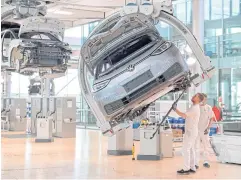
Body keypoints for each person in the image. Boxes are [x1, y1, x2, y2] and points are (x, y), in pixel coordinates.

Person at [172, 93, 204, 175]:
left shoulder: (195, 108)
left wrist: (175, 109)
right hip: (191, 131)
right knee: (190, 149)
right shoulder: (193, 107)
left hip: (191, 132)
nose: (193, 96)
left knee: (185, 149)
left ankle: (186, 169)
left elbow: (183, 115)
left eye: (195, 96)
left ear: (198, 99)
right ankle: (192, 167)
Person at [195, 93, 216, 169]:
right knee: (196, 146)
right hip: (196, 130)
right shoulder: (196, 107)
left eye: (204, 99)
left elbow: (211, 118)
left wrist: (208, 128)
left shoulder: (208, 108)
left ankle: (206, 161)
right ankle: (196, 163)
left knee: (206, 146)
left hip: (205, 130)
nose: (203, 100)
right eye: (202, 99)